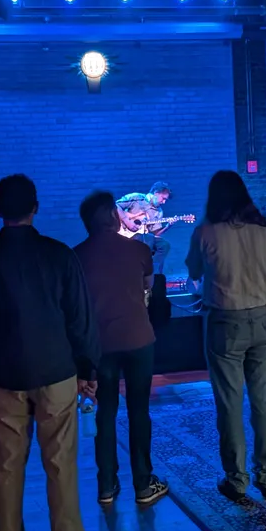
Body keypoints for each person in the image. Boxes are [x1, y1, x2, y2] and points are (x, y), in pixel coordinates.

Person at [0, 174, 101, 531]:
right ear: (35, 207)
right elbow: (80, 318)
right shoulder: (58, 255)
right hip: (56, 372)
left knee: (5, 470)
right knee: (61, 467)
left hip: (3, 375)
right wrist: (88, 369)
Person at [185, 171, 266, 501]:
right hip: (263, 320)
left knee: (229, 404)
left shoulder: (205, 231)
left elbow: (193, 272)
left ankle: (236, 479)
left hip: (224, 324)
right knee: (264, 401)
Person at [74, 191, 169, 506]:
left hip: (99, 345)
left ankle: (106, 485)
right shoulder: (140, 250)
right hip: (138, 339)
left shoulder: (76, 255)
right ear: (112, 218)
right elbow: (148, 289)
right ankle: (143, 484)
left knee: (106, 412)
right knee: (139, 411)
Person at [117, 182, 174, 274]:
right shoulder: (137, 198)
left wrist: (168, 227)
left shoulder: (159, 212)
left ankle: (152, 272)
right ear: (156, 193)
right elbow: (115, 206)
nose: (164, 202)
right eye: (163, 199)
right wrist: (127, 221)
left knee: (164, 245)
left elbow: (155, 233)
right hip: (126, 234)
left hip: (144, 237)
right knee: (145, 238)